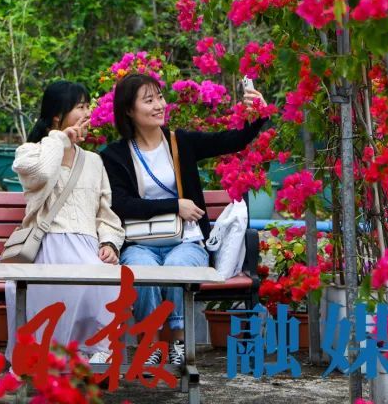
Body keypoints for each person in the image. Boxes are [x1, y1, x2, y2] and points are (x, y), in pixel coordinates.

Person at [99, 72, 268, 372]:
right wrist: (175, 205)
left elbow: (232, 140)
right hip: (141, 243)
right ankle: (150, 345)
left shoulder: (180, 142)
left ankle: (177, 343)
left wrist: (255, 116)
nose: (159, 105)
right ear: (129, 110)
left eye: (160, 98)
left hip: (187, 240)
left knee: (177, 268)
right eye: (149, 100)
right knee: (143, 272)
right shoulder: (114, 155)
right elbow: (120, 204)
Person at [6, 80, 125, 366]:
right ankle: (42, 356)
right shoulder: (30, 152)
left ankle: (93, 354)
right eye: (80, 107)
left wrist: (109, 241)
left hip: (86, 245)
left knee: (109, 278)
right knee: (39, 284)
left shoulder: (94, 161)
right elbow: (42, 174)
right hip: (46, 244)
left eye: (88, 107)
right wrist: (60, 139)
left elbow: (106, 214)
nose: (87, 114)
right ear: (58, 115)